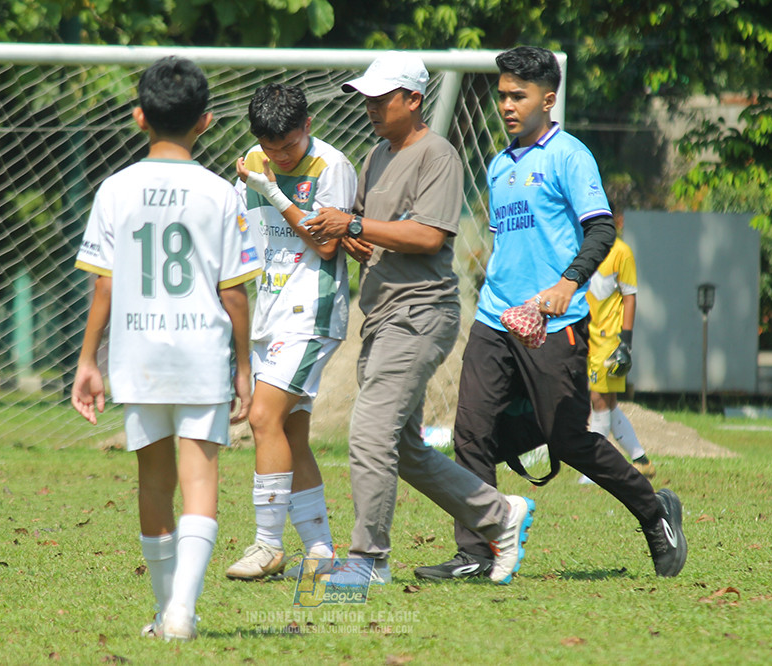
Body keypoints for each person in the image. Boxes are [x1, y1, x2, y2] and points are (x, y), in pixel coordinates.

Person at [414, 46, 686, 582]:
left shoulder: (569, 155)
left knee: (567, 441)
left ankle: (656, 513)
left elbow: (602, 228)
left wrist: (567, 283)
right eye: (502, 96)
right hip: (496, 319)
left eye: (519, 95)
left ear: (548, 98)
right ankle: (478, 551)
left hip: (557, 326)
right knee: (471, 432)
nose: (508, 106)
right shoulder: (498, 164)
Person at [306, 51, 534, 586]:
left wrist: (357, 222)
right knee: (403, 448)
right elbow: (370, 229)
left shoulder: (439, 156)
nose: (371, 108)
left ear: (414, 99)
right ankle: (499, 514)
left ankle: (368, 560)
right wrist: (352, 237)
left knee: (368, 433)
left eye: (381, 98)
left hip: (421, 313)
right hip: (382, 316)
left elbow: (431, 236)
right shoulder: (375, 156)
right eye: (366, 99)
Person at [70, 57, 261, 641]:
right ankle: (182, 609)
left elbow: (104, 283)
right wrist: (245, 366)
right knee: (200, 480)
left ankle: (165, 612)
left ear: (138, 117)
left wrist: (87, 359)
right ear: (205, 122)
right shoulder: (221, 193)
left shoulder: (114, 189)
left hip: (138, 354)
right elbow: (234, 294)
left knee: (153, 482)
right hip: (201, 353)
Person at [225, 84, 356, 580]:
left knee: (261, 418)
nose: (278, 156)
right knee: (289, 434)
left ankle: (268, 546)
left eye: (288, 146)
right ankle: (321, 550)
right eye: (269, 147)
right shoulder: (252, 166)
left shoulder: (331, 167)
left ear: (307, 127)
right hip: (271, 311)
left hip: (312, 312)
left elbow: (326, 247)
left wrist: (272, 190)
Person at [579, 203, 655, 485]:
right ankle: (640, 459)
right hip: (588, 335)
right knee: (608, 403)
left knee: (598, 399)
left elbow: (630, 296)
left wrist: (626, 342)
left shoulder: (621, 252)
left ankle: (595, 470)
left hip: (608, 340)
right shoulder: (581, 247)